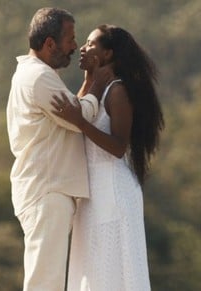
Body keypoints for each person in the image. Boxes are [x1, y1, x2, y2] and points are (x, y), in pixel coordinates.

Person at [51, 24, 165, 290]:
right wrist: (89, 80)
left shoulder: (117, 91)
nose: (82, 47)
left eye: (91, 44)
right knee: (91, 271)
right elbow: (77, 113)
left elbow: (117, 146)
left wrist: (81, 123)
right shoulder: (95, 87)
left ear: (109, 54)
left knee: (111, 272)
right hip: (91, 193)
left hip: (112, 191)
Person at [6, 8, 112, 291]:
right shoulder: (38, 77)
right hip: (47, 190)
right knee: (45, 282)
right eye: (70, 39)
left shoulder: (37, 74)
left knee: (48, 279)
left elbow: (71, 112)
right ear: (50, 43)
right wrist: (97, 83)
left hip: (48, 188)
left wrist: (88, 85)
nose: (75, 46)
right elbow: (80, 119)